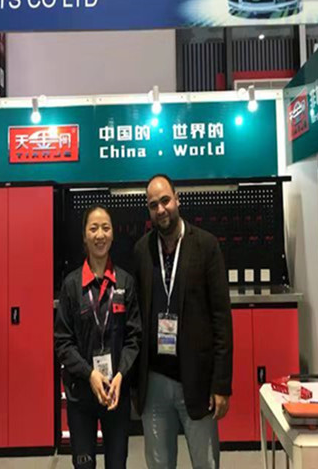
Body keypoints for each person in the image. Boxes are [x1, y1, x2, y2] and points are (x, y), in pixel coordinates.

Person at [133, 175, 233, 469]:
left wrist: (221, 384)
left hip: (197, 379)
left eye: (165, 201)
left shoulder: (206, 245)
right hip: (154, 381)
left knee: (205, 463)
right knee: (159, 464)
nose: (161, 209)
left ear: (177, 199)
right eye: (153, 205)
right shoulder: (142, 250)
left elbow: (221, 319)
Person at [55, 206, 142, 469]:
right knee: (84, 465)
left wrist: (121, 374)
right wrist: (90, 374)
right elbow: (63, 342)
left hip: (116, 393)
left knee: (117, 464)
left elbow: (134, 338)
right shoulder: (72, 286)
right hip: (81, 394)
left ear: (113, 234)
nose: (100, 234)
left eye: (105, 228)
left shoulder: (125, 283)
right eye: (93, 228)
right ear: (84, 236)